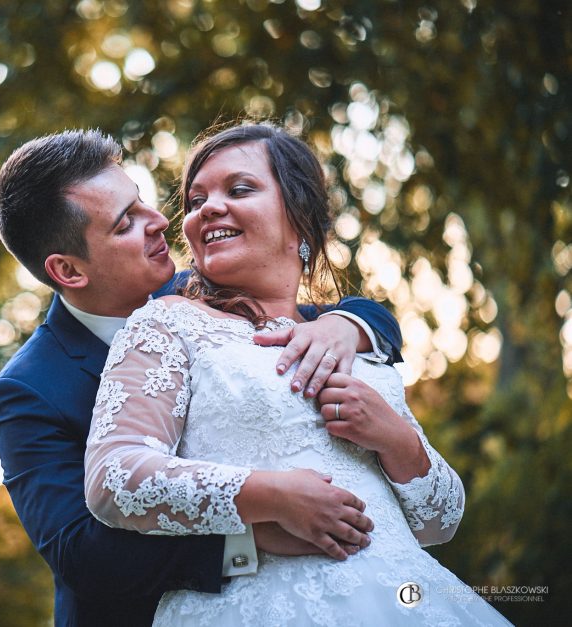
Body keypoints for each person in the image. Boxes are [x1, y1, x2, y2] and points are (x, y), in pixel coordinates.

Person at [84, 122, 511, 625]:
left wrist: (396, 439)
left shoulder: (356, 343)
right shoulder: (168, 324)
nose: (208, 208)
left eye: (239, 189)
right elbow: (114, 478)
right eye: (196, 200)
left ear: (300, 218)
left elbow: (440, 521)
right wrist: (271, 496)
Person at [0, 129, 404, 626]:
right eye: (127, 224)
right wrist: (251, 530)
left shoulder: (207, 295)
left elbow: (336, 317)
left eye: (141, 202)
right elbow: (82, 553)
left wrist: (348, 324)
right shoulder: (27, 392)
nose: (160, 221)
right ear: (69, 271)